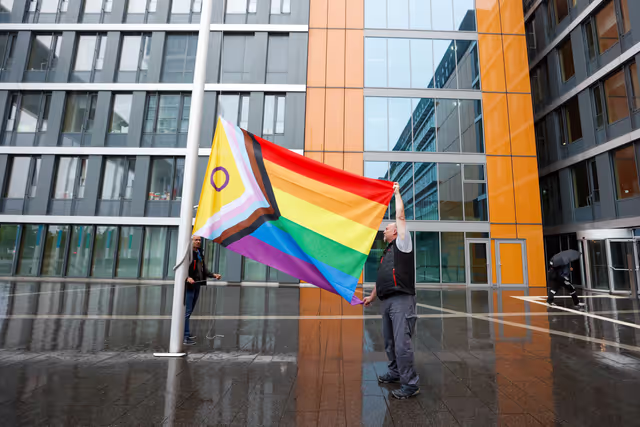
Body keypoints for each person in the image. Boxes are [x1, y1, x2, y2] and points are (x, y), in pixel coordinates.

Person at [363, 182, 420, 400]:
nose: (384, 231)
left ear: (395, 231)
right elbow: (382, 279)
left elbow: (402, 217)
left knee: (402, 344)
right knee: (389, 341)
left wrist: (396, 194)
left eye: (386, 228)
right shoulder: (387, 253)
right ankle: (396, 373)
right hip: (387, 301)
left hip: (401, 301)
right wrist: (371, 296)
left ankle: (410, 384)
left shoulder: (403, 244)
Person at [184, 235, 221, 346]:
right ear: (191, 241)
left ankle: (185, 333)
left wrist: (213, 275)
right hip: (188, 285)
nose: (198, 241)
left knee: (189, 312)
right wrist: (186, 277)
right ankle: (185, 336)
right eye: (196, 240)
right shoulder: (187, 253)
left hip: (197, 284)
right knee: (186, 312)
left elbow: (203, 269)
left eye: (199, 240)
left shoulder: (200, 253)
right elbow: (182, 267)